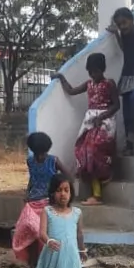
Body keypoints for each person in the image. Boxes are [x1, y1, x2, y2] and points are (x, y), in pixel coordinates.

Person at [51, 52, 119, 205]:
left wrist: (101, 117)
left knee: (95, 150)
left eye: (96, 71)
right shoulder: (88, 84)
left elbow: (116, 105)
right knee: (83, 149)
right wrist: (61, 77)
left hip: (105, 122)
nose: (93, 74)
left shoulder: (109, 84)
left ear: (103, 69)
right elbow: (71, 91)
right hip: (90, 122)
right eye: (91, 72)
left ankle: (100, 187)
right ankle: (95, 186)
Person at [11, 132, 67, 268]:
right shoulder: (30, 161)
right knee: (27, 233)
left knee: (43, 235)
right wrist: (27, 193)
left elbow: (68, 177)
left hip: (49, 203)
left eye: (43, 153)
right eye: (37, 153)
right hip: (32, 203)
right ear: (33, 150)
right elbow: (32, 179)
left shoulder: (54, 161)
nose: (40, 156)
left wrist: (60, 192)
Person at [108, 7, 134, 156]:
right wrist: (116, 34)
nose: (122, 26)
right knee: (126, 110)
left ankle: (132, 141)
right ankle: (129, 142)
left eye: (124, 22)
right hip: (127, 75)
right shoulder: (124, 35)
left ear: (132, 20)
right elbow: (125, 50)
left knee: (133, 103)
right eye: (119, 24)